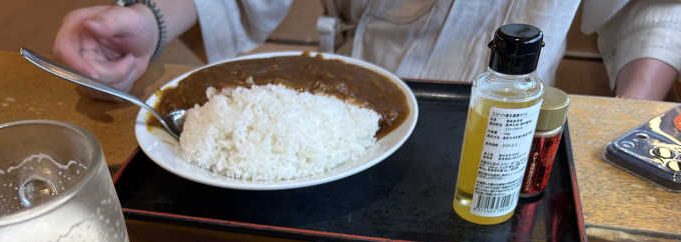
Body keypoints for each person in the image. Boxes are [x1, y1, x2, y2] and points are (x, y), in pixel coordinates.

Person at [53, 0, 681, 101]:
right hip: (348, 95)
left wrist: (630, 113)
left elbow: (651, 10)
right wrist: (152, 19)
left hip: (508, 118)